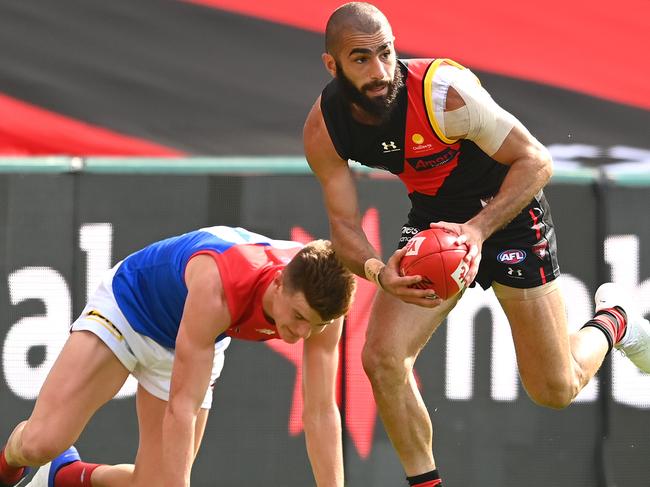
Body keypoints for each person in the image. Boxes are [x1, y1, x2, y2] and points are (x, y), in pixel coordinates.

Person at [302, 3, 650, 486]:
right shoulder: (325, 128)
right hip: (434, 221)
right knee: (380, 359)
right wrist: (380, 271)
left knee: (556, 387)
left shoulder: (444, 94)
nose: (380, 72)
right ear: (332, 65)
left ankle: (616, 320)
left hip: (506, 213)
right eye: (361, 59)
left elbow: (535, 162)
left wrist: (478, 230)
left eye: (386, 53)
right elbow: (342, 226)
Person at [0, 226, 356, 487]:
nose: (303, 334)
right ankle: (5, 467)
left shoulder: (323, 310)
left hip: (191, 341)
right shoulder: (220, 284)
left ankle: (64, 476)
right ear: (278, 282)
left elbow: (321, 410)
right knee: (40, 443)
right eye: (297, 318)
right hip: (129, 311)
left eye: (317, 325)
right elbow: (181, 408)